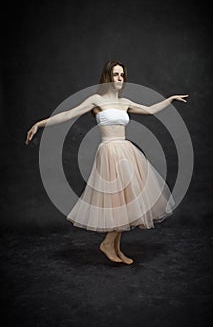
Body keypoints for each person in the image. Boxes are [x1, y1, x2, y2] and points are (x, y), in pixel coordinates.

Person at [25, 60, 188, 265]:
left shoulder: (125, 102)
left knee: (125, 200)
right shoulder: (96, 100)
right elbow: (68, 114)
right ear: (107, 78)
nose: (119, 78)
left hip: (126, 151)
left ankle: (116, 248)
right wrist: (40, 124)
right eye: (115, 75)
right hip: (109, 152)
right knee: (118, 201)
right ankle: (107, 244)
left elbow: (151, 110)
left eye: (122, 75)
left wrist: (170, 99)